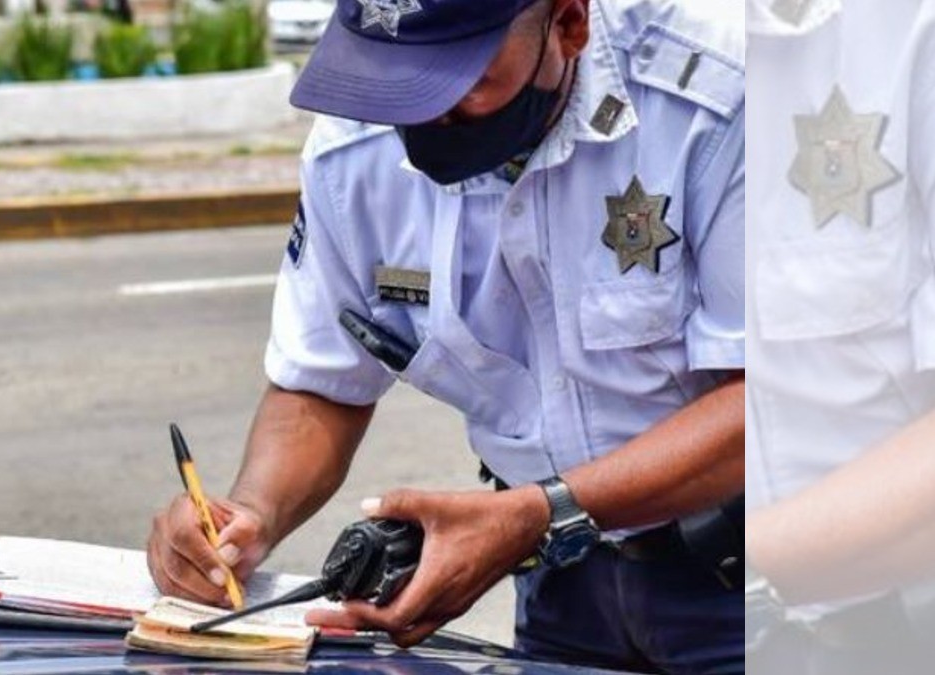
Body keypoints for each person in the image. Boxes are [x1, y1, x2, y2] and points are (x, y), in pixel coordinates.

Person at [148, 1, 745, 672]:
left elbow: (768, 401)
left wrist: (537, 512)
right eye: (394, 77)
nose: (421, 111)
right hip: (560, 584)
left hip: (756, 582)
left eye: (454, 79)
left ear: (568, 23)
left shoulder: (717, 102)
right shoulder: (354, 148)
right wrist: (247, 515)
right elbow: (322, 382)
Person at [744, 0, 935, 672]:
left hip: (894, 623)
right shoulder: (607, 39)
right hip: (640, 614)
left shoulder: (912, 29)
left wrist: (748, 569)